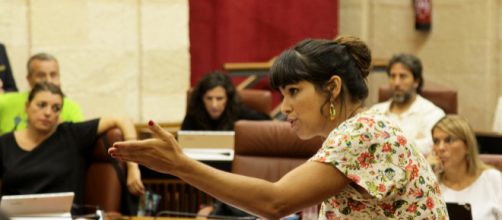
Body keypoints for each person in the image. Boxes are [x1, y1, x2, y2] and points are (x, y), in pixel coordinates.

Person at [109, 36, 448, 219]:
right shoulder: (362, 128)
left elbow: (275, 203)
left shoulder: (362, 133)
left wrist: (179, 165)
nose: (283, 107)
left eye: (294, 92)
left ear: (332, 88)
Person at [0, 82, 145, 206]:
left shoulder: (71, 135)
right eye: (41, 105)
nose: (48, 112)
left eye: (56, 108)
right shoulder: (5, 143)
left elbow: (123, 119)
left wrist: (133, 167)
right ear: (27, 106)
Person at [429, 115, 502, 220]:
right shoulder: (431, 183)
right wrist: (425, 172)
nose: (440, 148)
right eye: (436, 141)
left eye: (449, 140)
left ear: (467, 146)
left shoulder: (492, 179)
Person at [370, 53, 445, 155]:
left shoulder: (432, 113)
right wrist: (414, 143)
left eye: (403, 76)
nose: (396, 83)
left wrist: (385, 145)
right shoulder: (374, 112)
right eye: (392, 76)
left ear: (416, 81)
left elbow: (433, 147)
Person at [0, 52, 83, 135]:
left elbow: (79, 142)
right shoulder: (4, 102)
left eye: (53, 75)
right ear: (29, 79)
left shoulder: (72, 107)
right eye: (41, 76)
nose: (48, 81)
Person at [181, 71, 270, 131]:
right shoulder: (194, 114)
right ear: (201, 98)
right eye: (209, 98)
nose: (214, 105)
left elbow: (268, 124)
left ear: (228, 98)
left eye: (219, 98)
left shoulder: (238, 111)